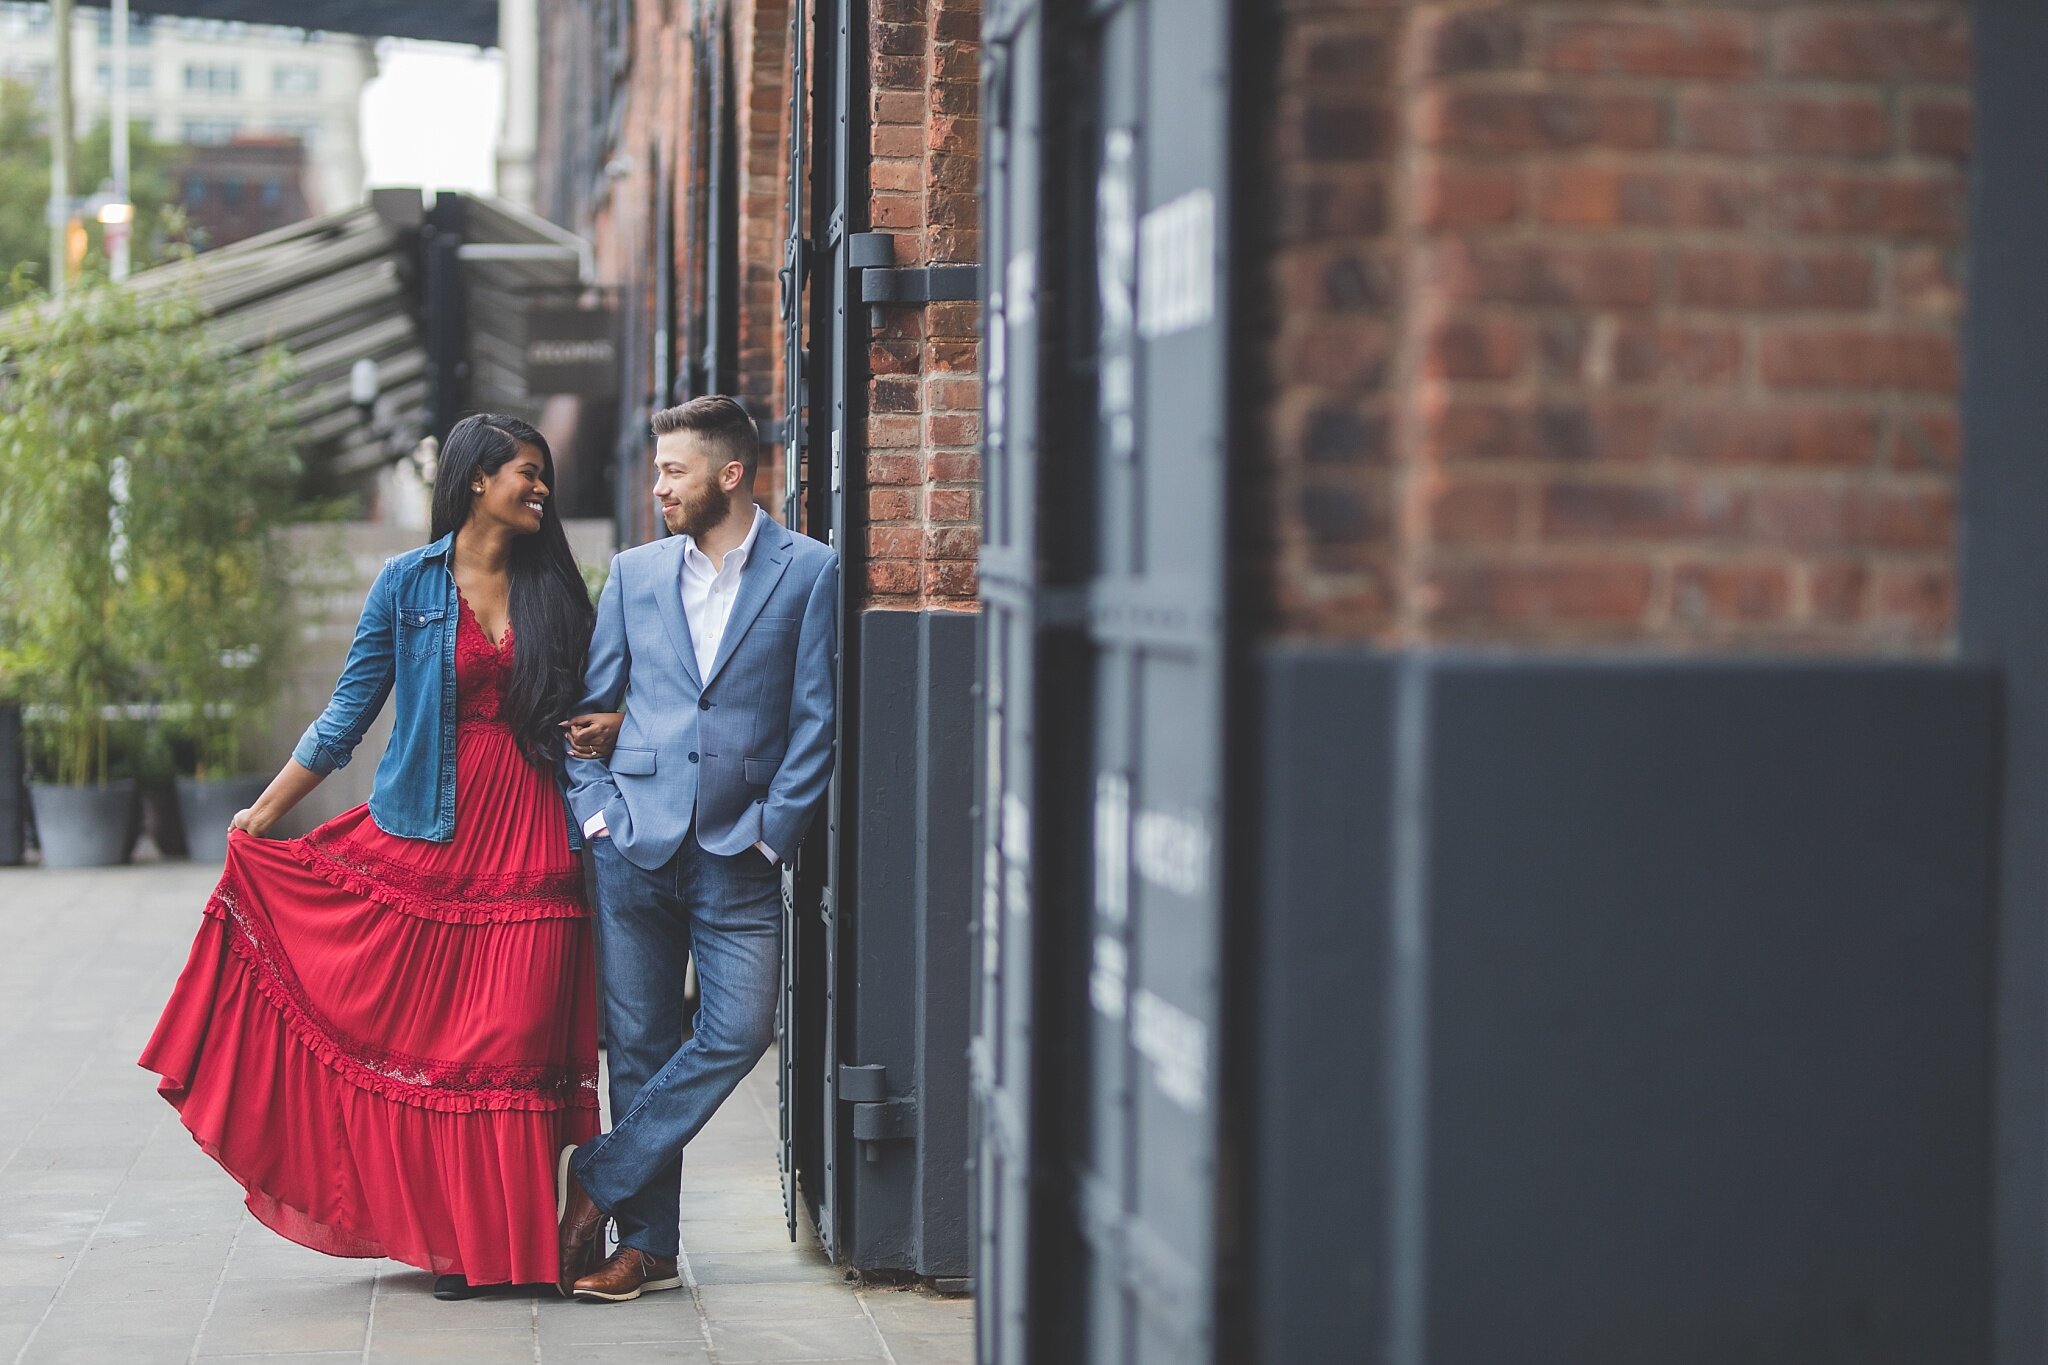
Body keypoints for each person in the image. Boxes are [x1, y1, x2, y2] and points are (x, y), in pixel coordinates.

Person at [140, 414, 624, 1299]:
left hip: (536, 840)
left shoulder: (558, 585)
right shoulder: (407, 584)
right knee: (451, 1049)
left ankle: (513, 1246)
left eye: (544, 474)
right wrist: (262, 814)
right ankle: (460, 1247)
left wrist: (618, 722)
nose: (542, 488)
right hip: (431, 838)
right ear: (476, 478)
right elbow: (346, 715)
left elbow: (607, 693)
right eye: (528, 471)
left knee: (513, 1041)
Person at [555, 395, 838, 1302]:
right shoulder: (635, 573)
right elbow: (585, 717)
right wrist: (597, 814)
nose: (659, 486)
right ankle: (647, 1247)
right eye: (657, 470)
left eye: (674, 471)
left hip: (738, 850)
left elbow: (815, 720)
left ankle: (597, 1172)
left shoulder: (810, 572)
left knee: (741, 1028)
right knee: (637, 1045)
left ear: (730, 474)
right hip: (634, 842)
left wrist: (770, 833)